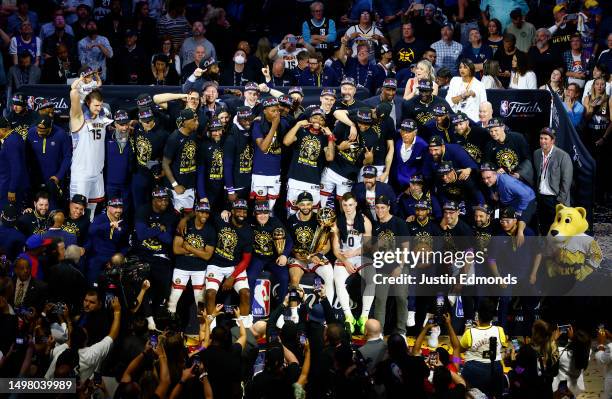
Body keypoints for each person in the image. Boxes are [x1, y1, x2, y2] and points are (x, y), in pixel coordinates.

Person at [68, 74, 113, 219]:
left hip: (97, 173)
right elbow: (74, 93)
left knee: (92, 213)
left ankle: (87, 241)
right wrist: (81, 81)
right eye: (95, 105)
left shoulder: (103, 117)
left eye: (100, 105)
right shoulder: (78, 118)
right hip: (81, 174)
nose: (99, 108)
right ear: (88, 103)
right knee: (77, 212)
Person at [205, 199, 254, 327]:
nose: (242, 214)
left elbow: (246, 259)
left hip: (235, 266)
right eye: (239, 210)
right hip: (215, 264)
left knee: (246, 293)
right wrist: (183, 220)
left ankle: (243, 328)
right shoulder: (221, 220)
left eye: (244, 211)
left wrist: (232, 277)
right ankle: (211, 327)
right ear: (232, 211)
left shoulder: (248, 231)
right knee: (210, 294)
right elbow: (203, 211)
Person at [133, 187, 178, 322]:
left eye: (166, 199)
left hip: (161, 256)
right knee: (142, 285)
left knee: (163, 289)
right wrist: (159, 228)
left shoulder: (170, 214)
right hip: (143, 254)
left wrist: (151, 230)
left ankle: (157, 318)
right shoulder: (144, 210)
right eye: (160, 199)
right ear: (153, 200)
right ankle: (145, 318)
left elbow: (168, 239)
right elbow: (141, 235)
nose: (164, 202)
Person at [332, 192, 373, 334]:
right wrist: (345, 261)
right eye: (345, 205)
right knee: (338, 281)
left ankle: (364, 317)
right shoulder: (338, 221)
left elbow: (368, 246)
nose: (348, 208)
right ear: (341, 205)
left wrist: (354, 253)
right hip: (344, 257)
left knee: (372, 280)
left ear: (355, 204)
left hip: (360, 255)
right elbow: (335, 249)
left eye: (350, 204)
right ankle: (348, 316)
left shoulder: (365, 220)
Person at [283, 108, 335, 214]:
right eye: (315, 117)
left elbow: (329, 157)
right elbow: (286, 142)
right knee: (292, 213)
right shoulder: (301, 132)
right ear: (309, 119)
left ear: (324, 123)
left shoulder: (325, 138)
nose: (318, 121)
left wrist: (330, 137)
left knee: (313, 214)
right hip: (295, 180)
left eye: (321, 119)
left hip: (313, 182)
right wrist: (297, 125)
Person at [372, 194, 410, 335]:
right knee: (380, 300)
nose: (379, 210)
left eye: (382, 207)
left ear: (388, 207)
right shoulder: (375, 226)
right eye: (377, 207)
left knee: (401, 298)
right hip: (382, 268)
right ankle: (378, 333)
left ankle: (401, 332)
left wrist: (399, 266)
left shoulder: (399, 223)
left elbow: (406, 247)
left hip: (399, 267)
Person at [168, 201, 215, 314]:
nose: (205, 215)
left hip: (199, 269)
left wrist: (189, 248)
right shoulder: (184, 225)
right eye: (202, 212)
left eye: (207, 213)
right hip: (181, 267)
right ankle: (171, 325)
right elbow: (176, 249)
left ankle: (203, 326)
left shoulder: (210, 230)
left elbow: (207, 256)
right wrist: (199, 252)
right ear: (196, 212)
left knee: (200, 301)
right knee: (173, 299)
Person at [287, 191, 335, 301]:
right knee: (294, 280)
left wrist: (318, 255)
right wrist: (304, 256)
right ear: (297, 205)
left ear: (312, 204)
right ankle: (294, 314)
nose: (305, 207)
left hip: (316, 257)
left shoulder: (320, 219)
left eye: (308, 204)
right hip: (298, 257)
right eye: (302, 204)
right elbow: (290, 247)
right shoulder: (291, 221)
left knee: (329, 276)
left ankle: (328, 312)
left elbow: (327, 245)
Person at [459, 298, 507, 398]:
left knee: (456, 359)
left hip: (473, 370)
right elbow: (504, 345)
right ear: (492, 316)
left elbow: (459, 349)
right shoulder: (500, 330)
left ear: (478, 315)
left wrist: (468, 331)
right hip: (496, 371)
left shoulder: (470, 332)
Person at [247, 201, 292, 305]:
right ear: (254, 213)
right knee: (250, 277)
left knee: (284, 277)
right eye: (259, 213)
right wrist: (226, 212)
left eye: (265, 213)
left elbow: (289, 241)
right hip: (257, 258)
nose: (263, 216)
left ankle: (280, 311)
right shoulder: (249, 222)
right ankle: (248, 313)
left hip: (273, 258)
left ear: (269, 213)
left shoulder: (275, 222)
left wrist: (284, 255)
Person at [251, 97, 289, 212]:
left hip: (275, 172)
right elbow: (263, 147)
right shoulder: (257, 124)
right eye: (273, 111)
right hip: (260, 172)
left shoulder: (284, 122)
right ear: (264, 111)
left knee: (271, 209)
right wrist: (274, 126)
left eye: (277, 110)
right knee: (259, 208)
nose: (276, 114)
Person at [26, 115, 71, 209]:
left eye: (43, 131)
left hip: (53, 180)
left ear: (50, 127)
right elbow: (27, 156)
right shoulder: (31, 133)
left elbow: (67, 157)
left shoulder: (61, 134)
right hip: (35, 179)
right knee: (37, 208)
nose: (39, 133)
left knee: (53, 208)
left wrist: (59, 176)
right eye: (38, 130)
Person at [533, 128, 573, 234]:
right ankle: (545, 249)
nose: (543, 141)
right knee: (543, 226)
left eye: (546, 139)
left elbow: (566, 180)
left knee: (557, 228)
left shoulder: (563, 156)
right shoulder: (537, 154)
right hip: (541, 197)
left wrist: (561, 200)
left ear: (553, 140)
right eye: (541, 138)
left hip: (555, 198)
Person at [481, 163, 537, 237]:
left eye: (488, 177)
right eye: (484, 178)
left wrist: (519, 211)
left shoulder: (507, 183)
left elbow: (525, 195)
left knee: (520, 227)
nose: (486, 181)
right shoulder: (497, 179)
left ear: (495, 174)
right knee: (498, 219)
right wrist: (496, 194)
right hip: (511, 202)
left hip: (527, 201)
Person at [162, 108, 199, 213]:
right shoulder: (174, 138)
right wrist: (175, 185)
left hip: (190, 185)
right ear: (184, 122)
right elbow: (165, 164)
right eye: (194, 120)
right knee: (178, 219)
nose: (197, 123)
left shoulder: (193, 134)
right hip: (176, 189)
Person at [86, 197, 128, 284]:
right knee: (93, 284)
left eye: (120, 208)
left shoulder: (123, 223)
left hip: (112, 258)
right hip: (96, 256)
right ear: (108, 208)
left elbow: (125, 244)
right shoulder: (100, 218)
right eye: (115, 207)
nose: (119, 210)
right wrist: (109, 225)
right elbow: (91, 230)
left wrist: (119, 257)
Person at [484, 117, 533, 184]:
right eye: (491, 131)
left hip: (521, 176)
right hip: (504, 180)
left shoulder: (517, 138)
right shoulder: (489, 145)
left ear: (503, 127)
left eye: (496, 130)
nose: (493, 134)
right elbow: (488, 164)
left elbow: (528, 158)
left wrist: (520, 173)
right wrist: (496, 170)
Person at [0, 115, 28, 209]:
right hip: (7, 184)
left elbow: (16, 167)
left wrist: (12, 189)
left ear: (3, 129)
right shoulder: (13, 137)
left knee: (8, 216)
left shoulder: (11, 142)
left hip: (9, 187)